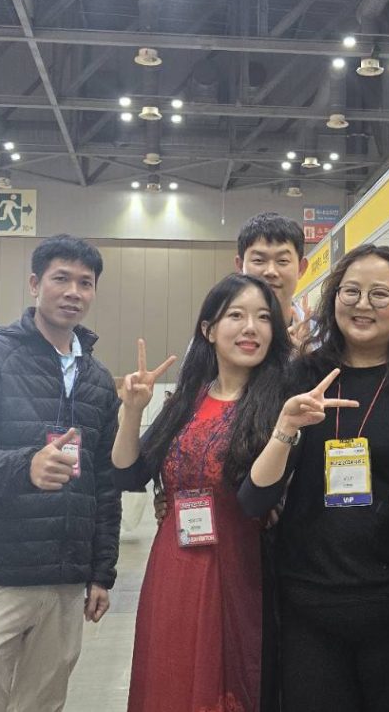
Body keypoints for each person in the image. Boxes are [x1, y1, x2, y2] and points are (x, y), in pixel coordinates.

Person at [238, 244, 389, 712]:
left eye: (380, 294)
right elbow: (255, 498)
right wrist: (286, 428)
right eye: (351, 291)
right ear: (333, 299)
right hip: (309, 602)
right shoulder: (303, 374)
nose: (362, 304)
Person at [0, 234, 122, 712]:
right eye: (61, 279)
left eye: (85, 282)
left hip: (63, 580)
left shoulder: (98, 380)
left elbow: (104, 485)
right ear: (35, 284)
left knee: (42, 702)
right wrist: (26, 466)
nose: (73, 292)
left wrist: (101, 572)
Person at [111, 274, 306, 712]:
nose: (250, 328)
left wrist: (285, 432)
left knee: (231, 681)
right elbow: (128, 474)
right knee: (170, 680)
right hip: (174, 564)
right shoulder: (185, 400)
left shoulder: (280, 403)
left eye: (262, 318)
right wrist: (131, 412)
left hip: (240, 565)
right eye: (235, 315)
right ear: (209, 329)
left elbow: (257, 497)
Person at [235, 212, 311, 347]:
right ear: (240, 266)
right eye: (258, 260)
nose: (271, 271)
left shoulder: (320, 336)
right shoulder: (221, 333)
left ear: (301, 268)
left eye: (282, 261)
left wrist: (308, 362)